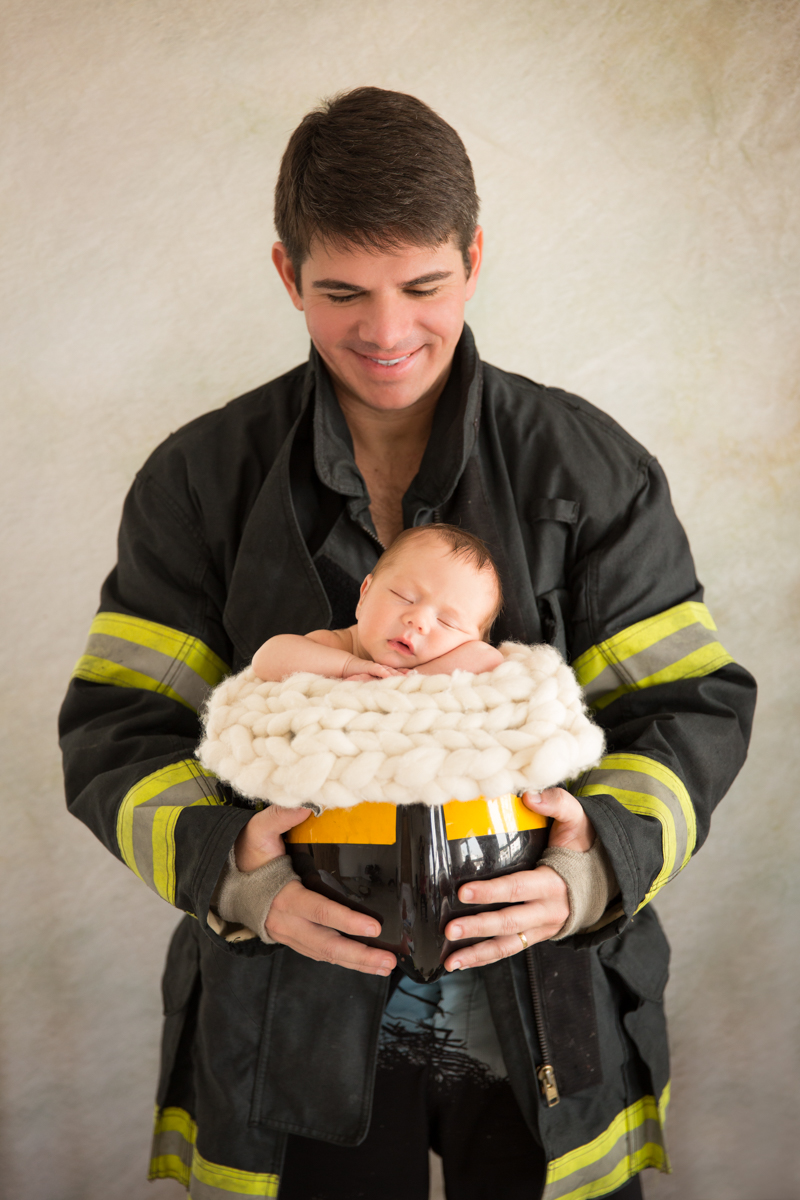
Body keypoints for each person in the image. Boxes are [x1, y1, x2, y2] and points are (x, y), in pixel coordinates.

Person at [59, 86, 756, 1200]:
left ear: (473, 258)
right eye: (341, 292)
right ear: (286, 274)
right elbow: (116, 731)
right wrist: (234, 882)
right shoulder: (199, 479)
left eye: (423, 286)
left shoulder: (587, 467)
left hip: (542, 1000)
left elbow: (688, 709)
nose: (386, 333)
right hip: (291, 1001)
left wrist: (592, 869)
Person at [252, 524, 505, 682]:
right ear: (364, 595)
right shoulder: (338, 646)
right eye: (404, 597)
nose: (418, 621)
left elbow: (488, 658)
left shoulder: (442, 666)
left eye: (446, 622)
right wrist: (349, 666)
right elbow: (267, 658)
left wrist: (412, 680)